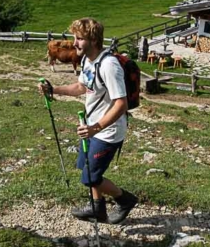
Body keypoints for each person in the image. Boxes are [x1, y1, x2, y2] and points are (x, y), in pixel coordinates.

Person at [37, 17, 138, 225]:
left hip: (107, 131)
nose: (74, 43)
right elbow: (81, 87)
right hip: (91, 127)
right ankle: (97, 208)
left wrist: (96, 128)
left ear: (93, 40)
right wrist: (53, 90)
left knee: (90, 177)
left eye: (79, 38)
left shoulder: (109, 65)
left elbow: (121, 103)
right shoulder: (87, 60)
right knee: (86, 167)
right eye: (75, 38)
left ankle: (125, 200)